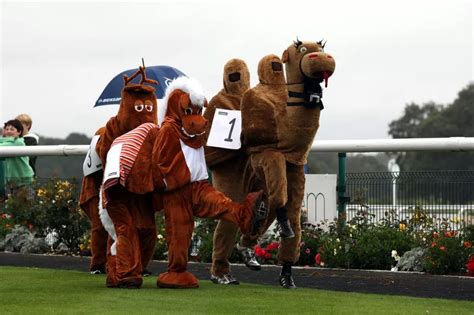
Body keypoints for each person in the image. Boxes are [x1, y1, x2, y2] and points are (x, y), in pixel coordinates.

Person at [0, 119, 34, 196]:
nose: (8, 131)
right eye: (7, 129)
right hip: (12, 182)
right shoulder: (7, 142)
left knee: (25, 206)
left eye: (12, 129)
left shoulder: (18, 142)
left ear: (19, 132)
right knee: (14, 206)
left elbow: (4, 147)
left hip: (23, 181)